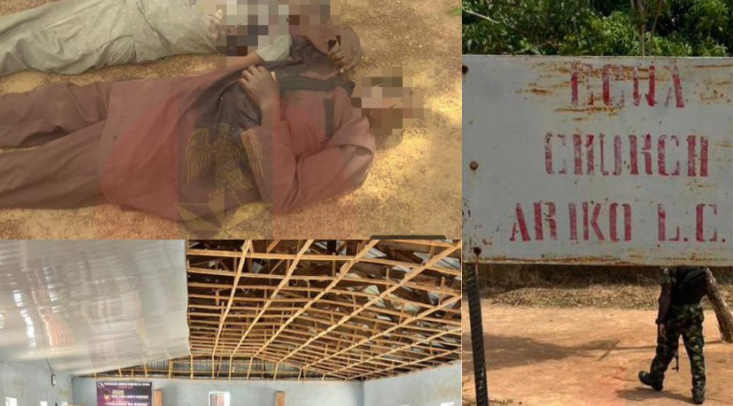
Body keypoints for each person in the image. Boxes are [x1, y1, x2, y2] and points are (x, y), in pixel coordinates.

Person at [0, 35, 420, 233]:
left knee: (33, 171)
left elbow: (285, 194)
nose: (386, 87)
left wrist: (270, 106)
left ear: (391, 118)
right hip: (162, 98)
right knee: (43, 105)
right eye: (391, 82)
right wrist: (340, 36)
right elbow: (296, 23)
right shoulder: (333, 70)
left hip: (166, 148)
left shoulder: (356, 146)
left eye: (395, 96)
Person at [0, 0, 360, 78]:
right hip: (133, 5)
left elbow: (228, 67)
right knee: (33, 22)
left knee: (37, 46)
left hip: (135, 31)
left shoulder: (277, 41)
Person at [638, 266, 709, 405]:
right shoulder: (703, 268)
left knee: (666, 348)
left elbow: (666, 295)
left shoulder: (669, 269)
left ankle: (655, 379)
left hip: (675, 313)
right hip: (694, 312)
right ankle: (698, 390)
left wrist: (660, 321)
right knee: (696, 351)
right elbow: (705, 290)